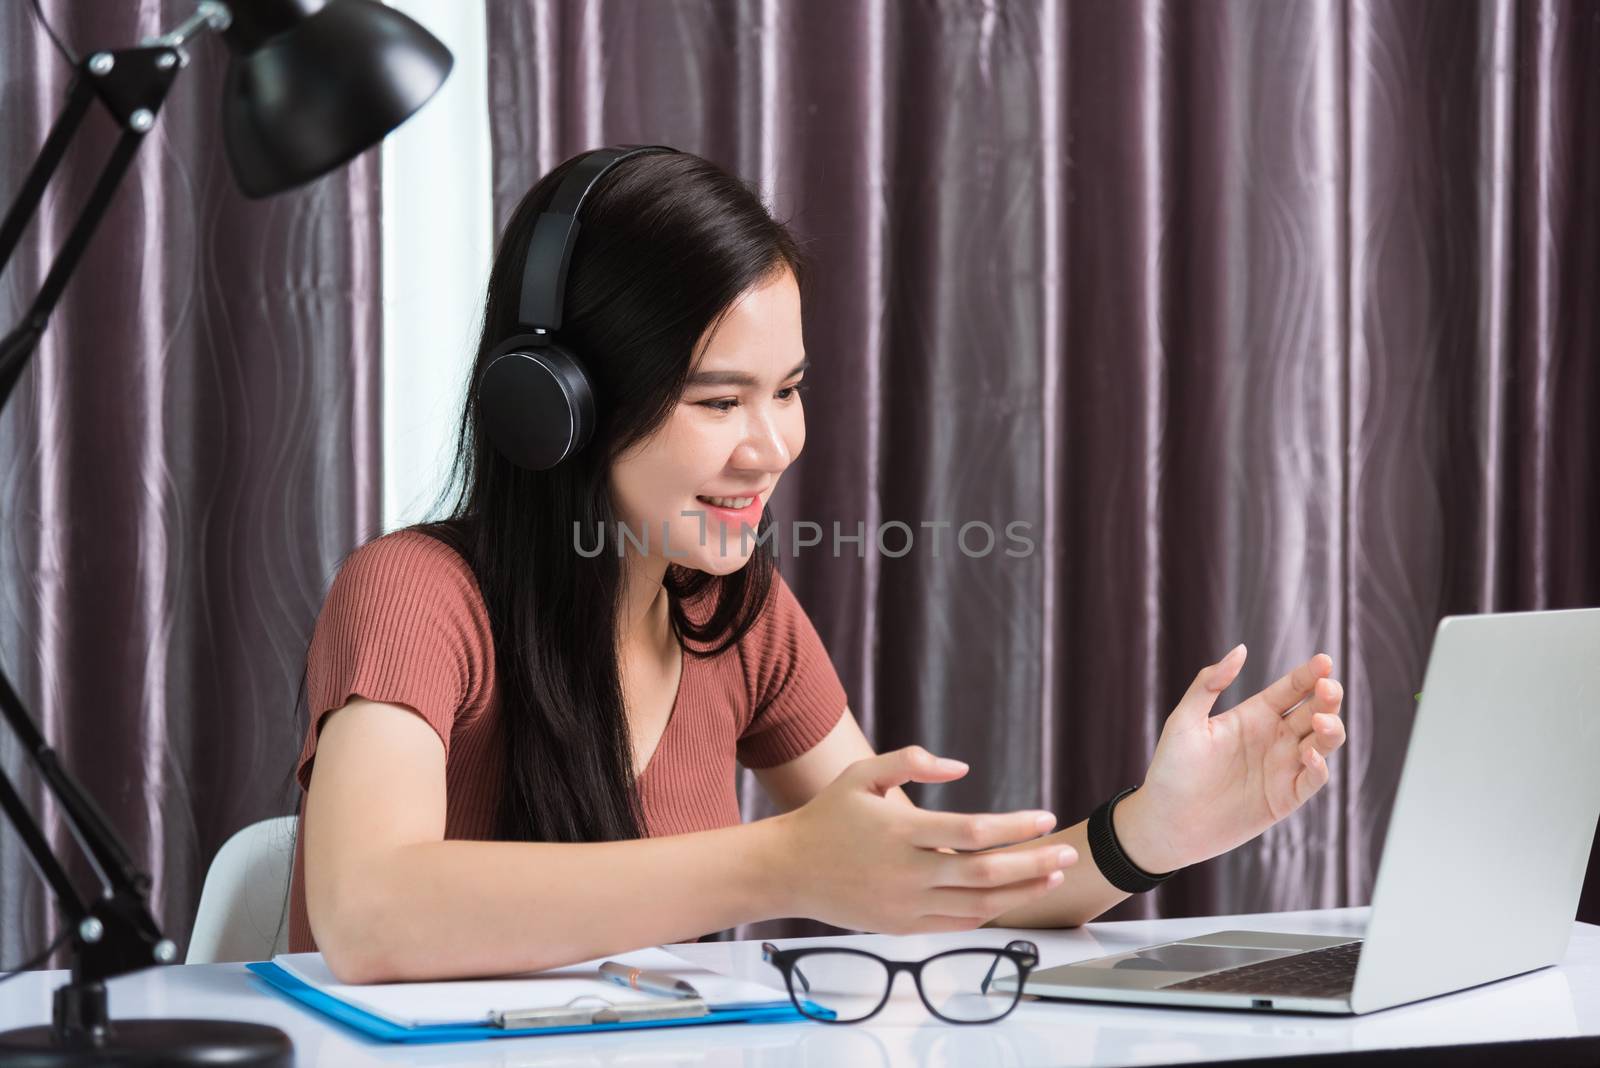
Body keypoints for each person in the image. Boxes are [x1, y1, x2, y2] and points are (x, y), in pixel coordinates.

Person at [288, 148, 1347, 984]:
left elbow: (921, 883)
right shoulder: (414, 594)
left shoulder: (736, 615)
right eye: (715, 401)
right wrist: (782, 860)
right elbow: (370, 915)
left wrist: (1149, 833)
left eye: (786, 389)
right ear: (552, 404)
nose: (770, 446)